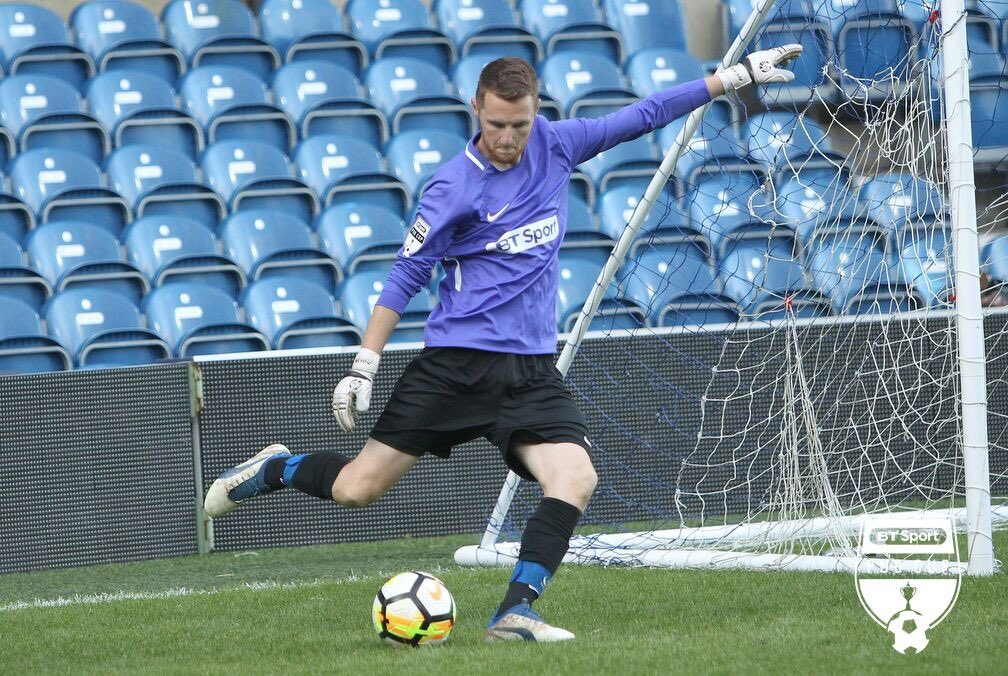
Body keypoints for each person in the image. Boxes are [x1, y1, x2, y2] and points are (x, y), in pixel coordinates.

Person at [204, 46, 803, 642]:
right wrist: (364, 365)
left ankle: (514, 612)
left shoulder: (558, 144)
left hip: (531, 372)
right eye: (496, 125)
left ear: (536, 112)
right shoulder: (453, 187)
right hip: (454, 369)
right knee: (357, 490)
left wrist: (733, 77)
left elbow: (645, 113)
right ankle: (275, 468)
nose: (509, 138)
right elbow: (405, 274)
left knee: (575, 479)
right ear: (476, 110)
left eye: (519, 124)